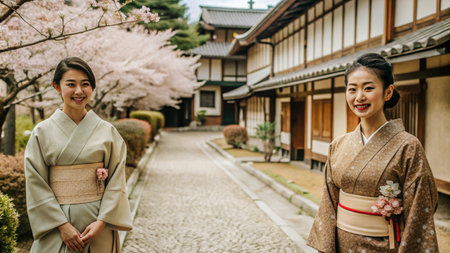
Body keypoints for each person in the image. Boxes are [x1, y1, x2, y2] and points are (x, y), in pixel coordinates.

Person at [306, 53, 439, 252]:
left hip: (386, 246)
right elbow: (328, 204)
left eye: (368, 88)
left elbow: (419, 212)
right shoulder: (338, 145)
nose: (359, 97)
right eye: (352, 89)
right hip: (343, 244)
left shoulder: (408, 147)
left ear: (388, 92)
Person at [25, 57, 132, 253]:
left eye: (85, 84)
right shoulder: (42, 132)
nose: (79, 91)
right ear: (57, 87)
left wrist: (101, 222)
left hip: (98, 225)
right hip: (57, 227)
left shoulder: (107, 131)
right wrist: (62, 225)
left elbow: (117, 181)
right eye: (71, 84)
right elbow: (35, 183)